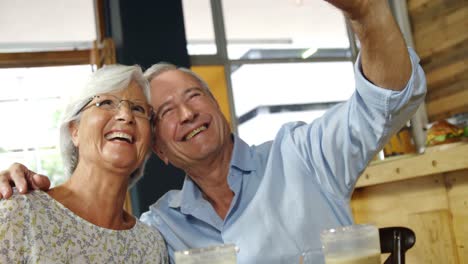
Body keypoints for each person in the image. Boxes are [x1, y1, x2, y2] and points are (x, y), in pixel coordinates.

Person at [0, 0, 427, 263]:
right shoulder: (159, 229)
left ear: (218, 108)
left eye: (195, 95)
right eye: (165, 111)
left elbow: (386, 100)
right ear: (159, 150)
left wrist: (368, 14)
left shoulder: (302, 155)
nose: (186, 113)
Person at [0, 65, 168, 263]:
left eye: (137, 108)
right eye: (106, 102)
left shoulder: (151, 245)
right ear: (74, 131)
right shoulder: (19, 214)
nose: (126, 115)